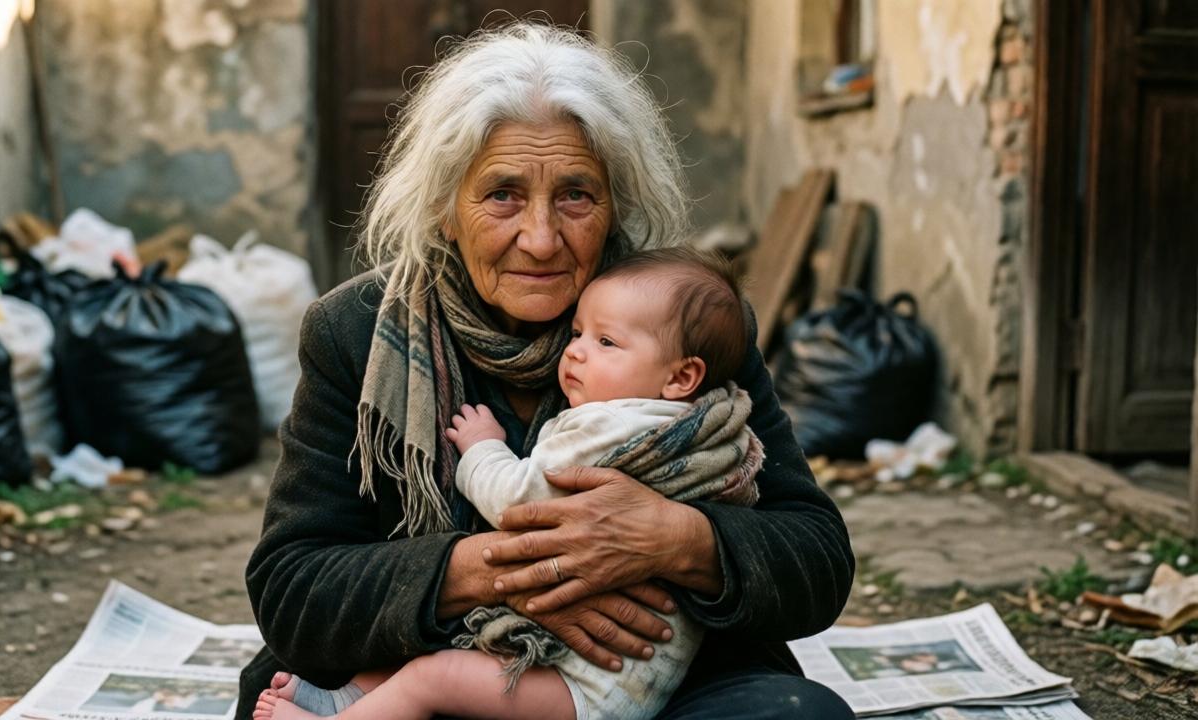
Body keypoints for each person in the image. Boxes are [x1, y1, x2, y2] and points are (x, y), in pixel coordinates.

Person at [238, 21, 855, 720]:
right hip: (444, 675)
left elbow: (816, 560)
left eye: (575, 196)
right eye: (502, 194)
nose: (540, 239)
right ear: (444, 209)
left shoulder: (682, 322)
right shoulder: (355, 331)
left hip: (641, 690)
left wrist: (673, 539)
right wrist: (488, 570)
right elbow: (293, 588)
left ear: (615, 204)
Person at [254, 249, 766, 720]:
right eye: (578, 333)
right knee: (417, 651)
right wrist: (472, 574)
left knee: (435, 677)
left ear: (682, 377)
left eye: (605, 342)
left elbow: (517, 502)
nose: (577, 353)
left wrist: (481, 448)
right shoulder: (704, 414)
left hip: (588, 684)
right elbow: (292, 579)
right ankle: (345, 702)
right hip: (600, 670)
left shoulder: (615, 420)